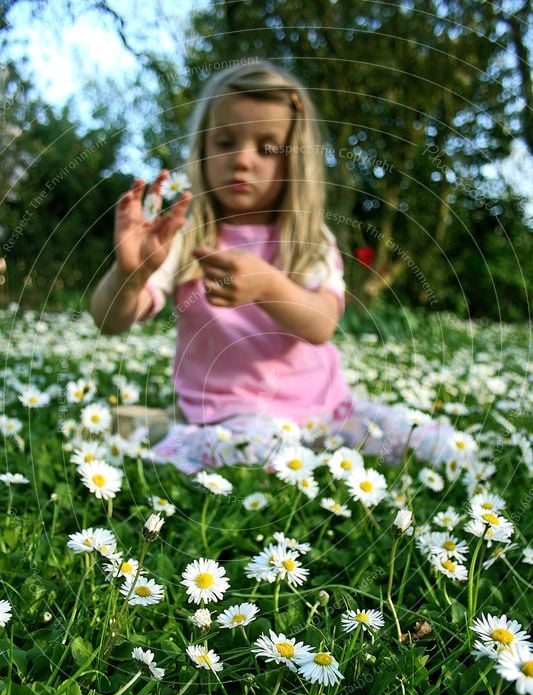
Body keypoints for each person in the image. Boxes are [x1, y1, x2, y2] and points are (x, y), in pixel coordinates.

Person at [91, 60, 466, 475]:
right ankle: (171, 435)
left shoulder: (307, 236)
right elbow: (111, 321)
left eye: (268, 148)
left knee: (436, 446)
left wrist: (266, 286)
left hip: (328, 409)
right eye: (225, 142)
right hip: (230, 416)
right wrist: (130, 274)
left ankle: (161, 427)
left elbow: (321, 323)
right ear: (201, 148)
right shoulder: (185, 237)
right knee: (256, 454)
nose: (243, 161)